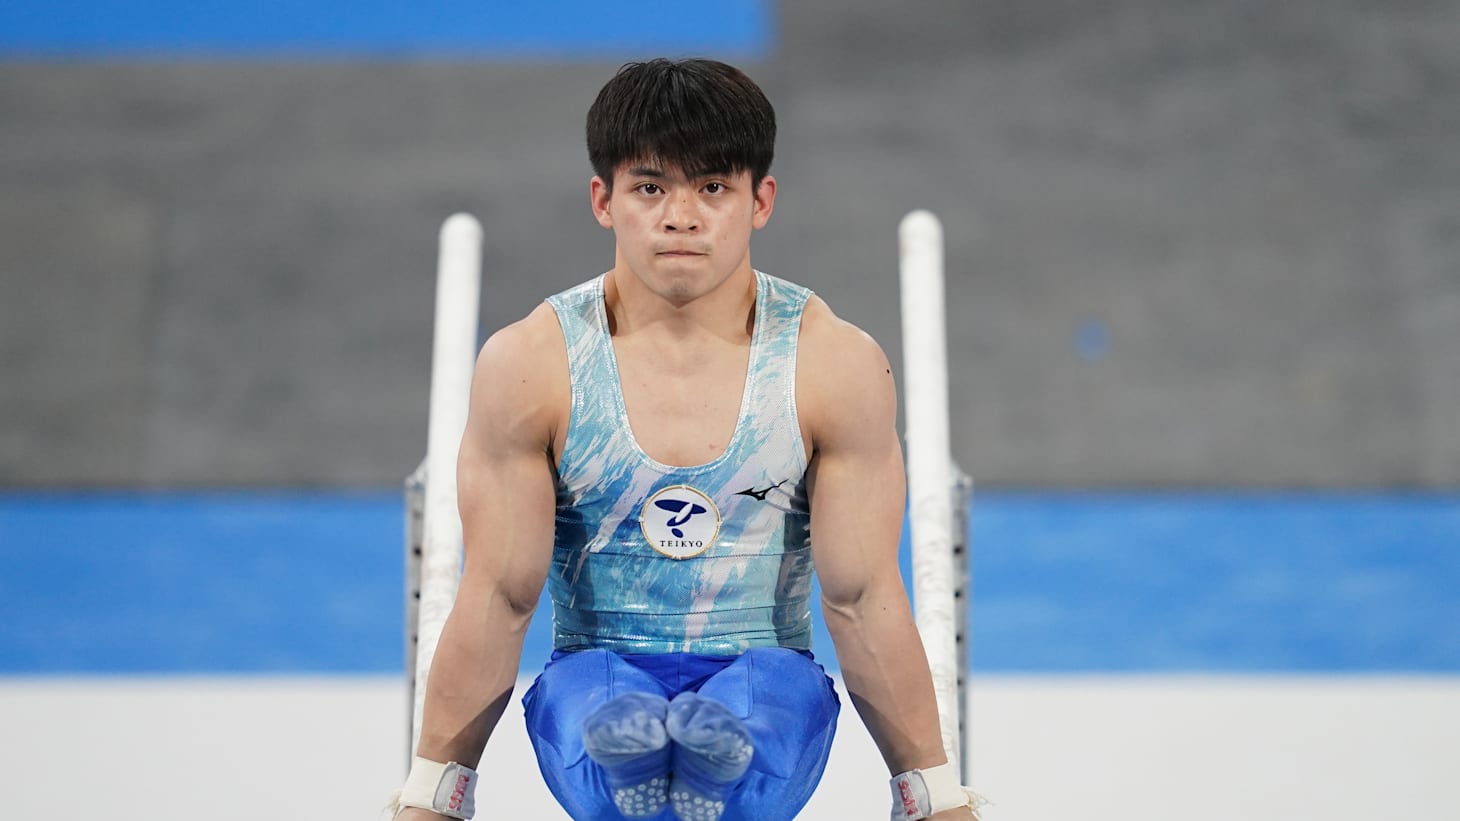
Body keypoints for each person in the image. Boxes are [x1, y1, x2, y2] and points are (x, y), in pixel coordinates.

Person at [391, 58, 981, 821]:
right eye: (650, 188)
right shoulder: (533, 365)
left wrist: (433, 795)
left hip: (763, 670)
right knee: (595, 699)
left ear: (760, 200)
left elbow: (861, 595)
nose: (681, 216)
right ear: (603, 199)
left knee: (765, 698)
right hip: (598, 668)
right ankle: (658, 751)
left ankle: (700, 749)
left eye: (711, 187)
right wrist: (932, 799)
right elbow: (499, 596)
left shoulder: (831, 364)